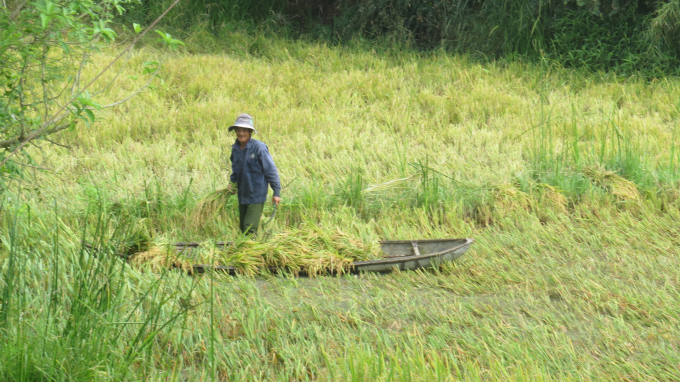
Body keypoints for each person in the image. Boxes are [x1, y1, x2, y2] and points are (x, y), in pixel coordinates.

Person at [228, 113, 281, 236]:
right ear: (235, 131)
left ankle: (249, 252)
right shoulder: (235, 148)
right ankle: (248, 249)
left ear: (250, 132)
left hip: (256, 194)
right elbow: (235, 170)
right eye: (239, 130)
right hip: (242, 194)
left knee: (249, 228)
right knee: (243, 227)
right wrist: (232, 184)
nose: (241, 133)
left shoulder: (259, 148)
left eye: (245, 130)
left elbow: (271, 170)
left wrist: (276, 193)